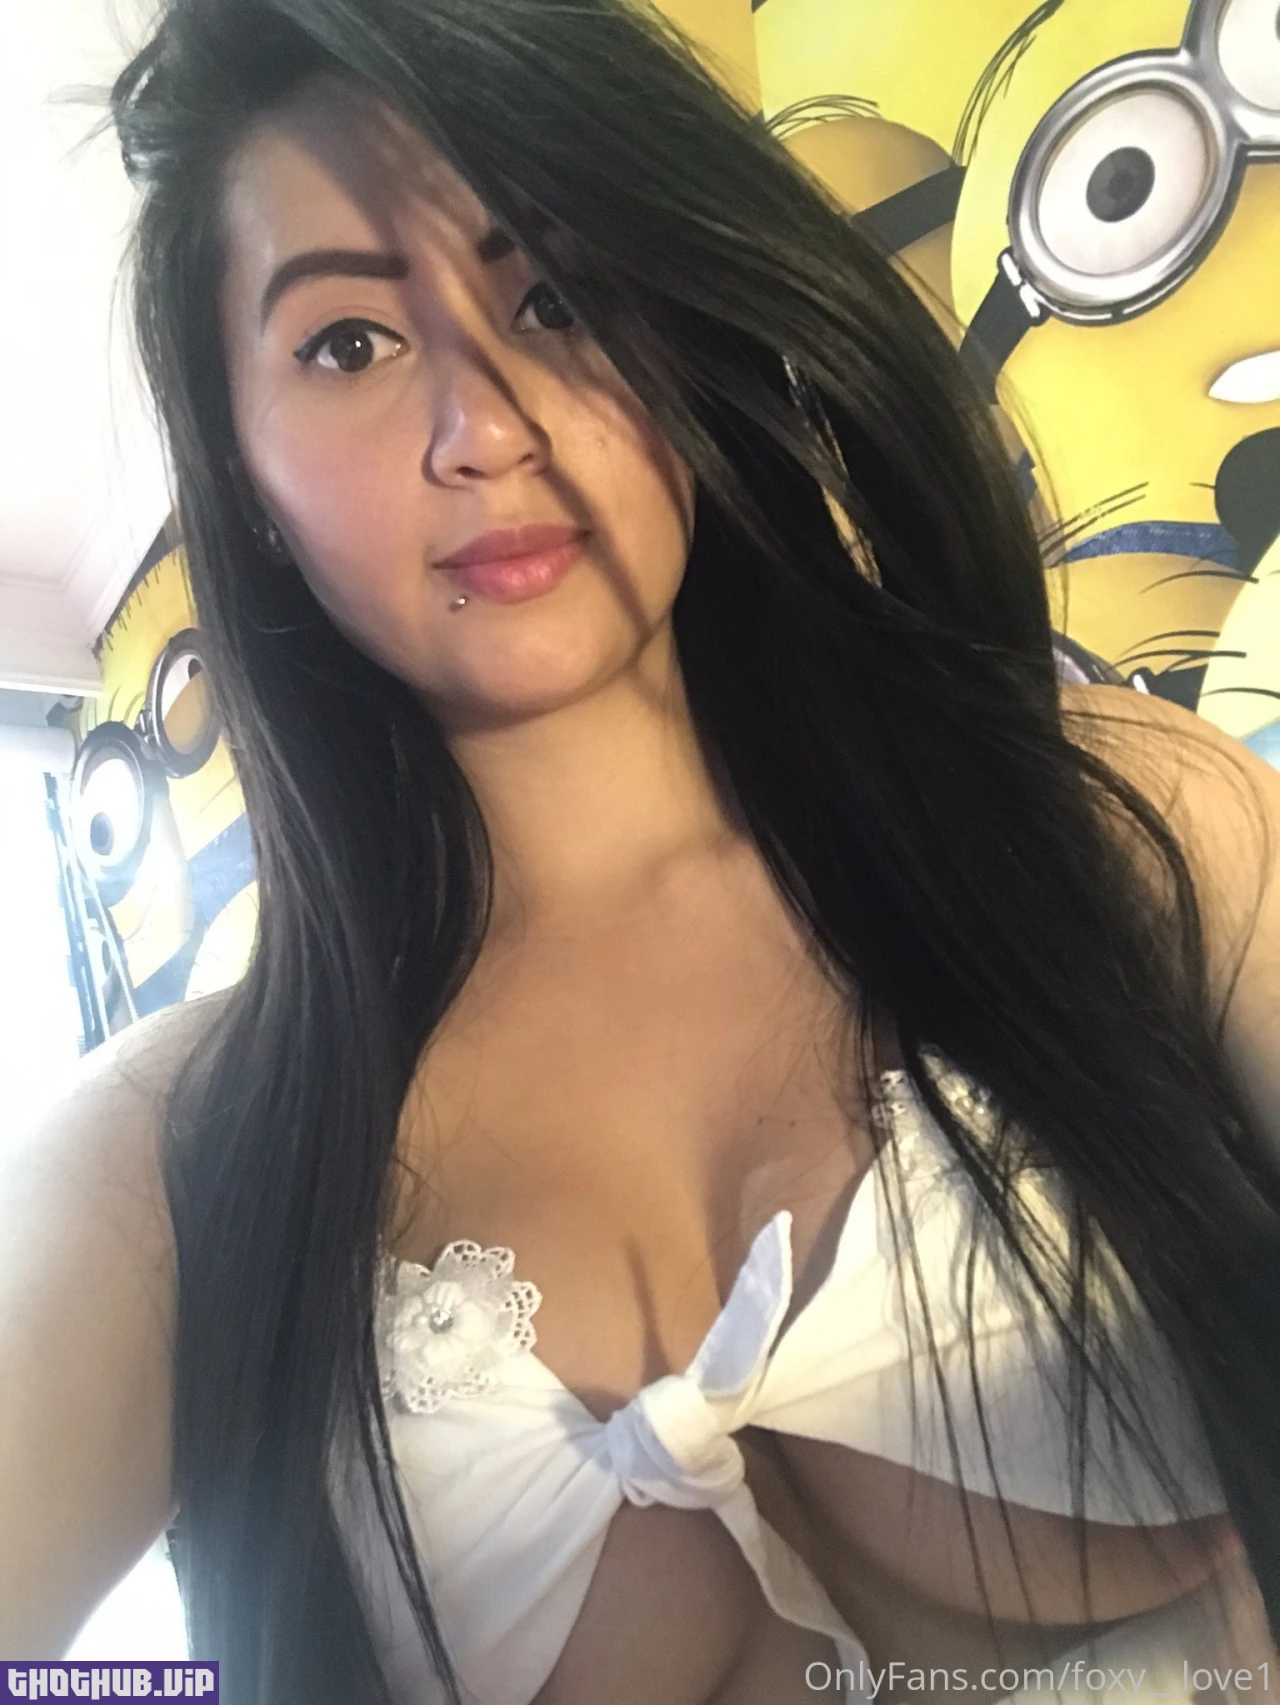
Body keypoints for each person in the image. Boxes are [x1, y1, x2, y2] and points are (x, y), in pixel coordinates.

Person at [3, 0, 1279, 1700]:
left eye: (555, 296)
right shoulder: (176, 1156)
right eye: (349, 343)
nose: (484, 425)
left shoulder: (1116, 821)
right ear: (245, 482)